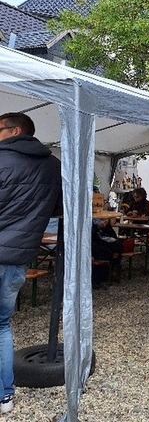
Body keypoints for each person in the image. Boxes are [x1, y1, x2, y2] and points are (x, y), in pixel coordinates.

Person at [0, 112, 62, 413]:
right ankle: (4, 397)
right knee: (1, 324)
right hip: (19, 258)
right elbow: (60, 208)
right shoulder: (53, 166)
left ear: (15, 131)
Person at [91, 218, 124, 284]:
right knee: (111, 251)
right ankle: (108, 274)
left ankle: (113, 271)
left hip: (102, 243)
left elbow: (113, 236)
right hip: (95, 246)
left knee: (118, 246)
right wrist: (98, 227)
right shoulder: (91, 221)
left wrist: (106, 226)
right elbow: (93, 237)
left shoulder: (106, 225)